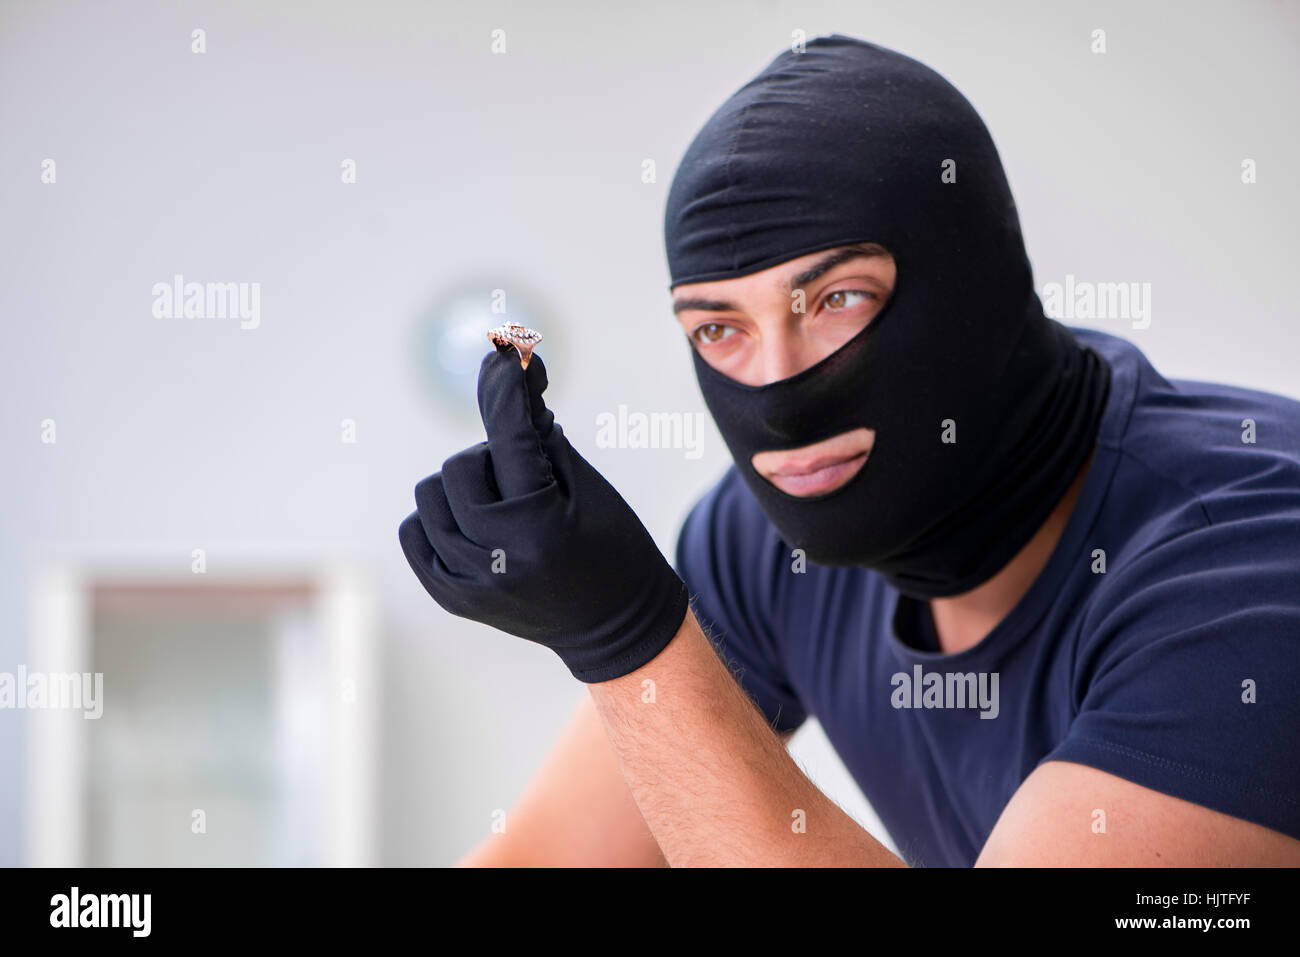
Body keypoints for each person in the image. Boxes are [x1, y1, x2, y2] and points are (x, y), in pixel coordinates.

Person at [398, 35, 1300, 866]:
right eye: (719, 329)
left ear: (975, 283)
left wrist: (631, 641)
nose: (778, 398)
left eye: (835, 301)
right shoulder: (765, 545)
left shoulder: (1247, 563)